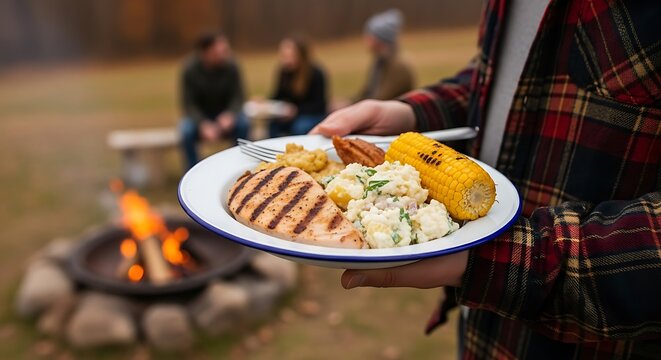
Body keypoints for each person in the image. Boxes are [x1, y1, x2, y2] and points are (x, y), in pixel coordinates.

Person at [311, 0, 661, 358]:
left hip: (595, 341)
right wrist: (413, 114)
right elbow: (501, 78)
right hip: (484, 327)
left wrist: (499, 261)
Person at [179, 32, 248, 169]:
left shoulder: (232, 66)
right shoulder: (190, 69)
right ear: (205, 53)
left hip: (225, 115)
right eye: (219, 51)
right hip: (201, 117)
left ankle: (238, 166)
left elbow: (238, 96)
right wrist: (202, 123)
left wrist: (230, 114)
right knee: (186, 130)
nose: (223, 54)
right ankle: (192, 171)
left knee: (244, 124)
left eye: (224, 50)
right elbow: (189, 103)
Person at [268, 35, 328, 137]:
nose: (284, 57)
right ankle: (273, 150)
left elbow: (319, 105)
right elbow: (277, 96)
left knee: (300, 127)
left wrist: (296, 111)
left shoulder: (315, 73)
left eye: (288, 53)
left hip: (311, 115)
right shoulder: (284, 72)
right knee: (272, 124)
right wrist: (264, 103)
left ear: (300, 54)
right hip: (289, 115)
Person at [356, 9, 414, 102]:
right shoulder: (380, 61)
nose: (365, 38)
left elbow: (380, 100)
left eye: (369, 34)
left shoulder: (398, 67)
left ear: (379, 38)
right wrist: (347, 103)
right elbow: (367, 93)